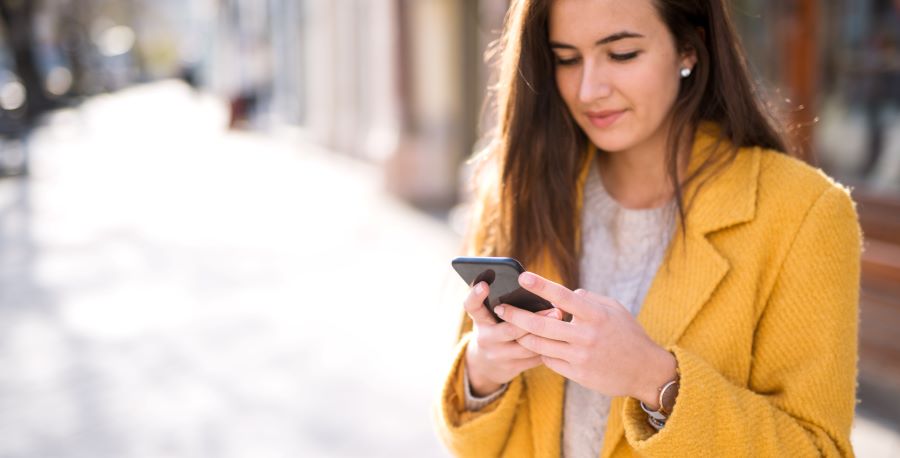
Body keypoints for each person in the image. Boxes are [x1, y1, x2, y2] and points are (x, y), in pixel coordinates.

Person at [433, 0, 861, 457]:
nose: (589, 89)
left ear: (689, 47)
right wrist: (482, 373)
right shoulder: (516, 187)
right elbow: (475, 446)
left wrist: (656, 380)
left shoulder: (804, 212)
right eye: (567, 59)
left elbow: (819, 450)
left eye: (621, 54)